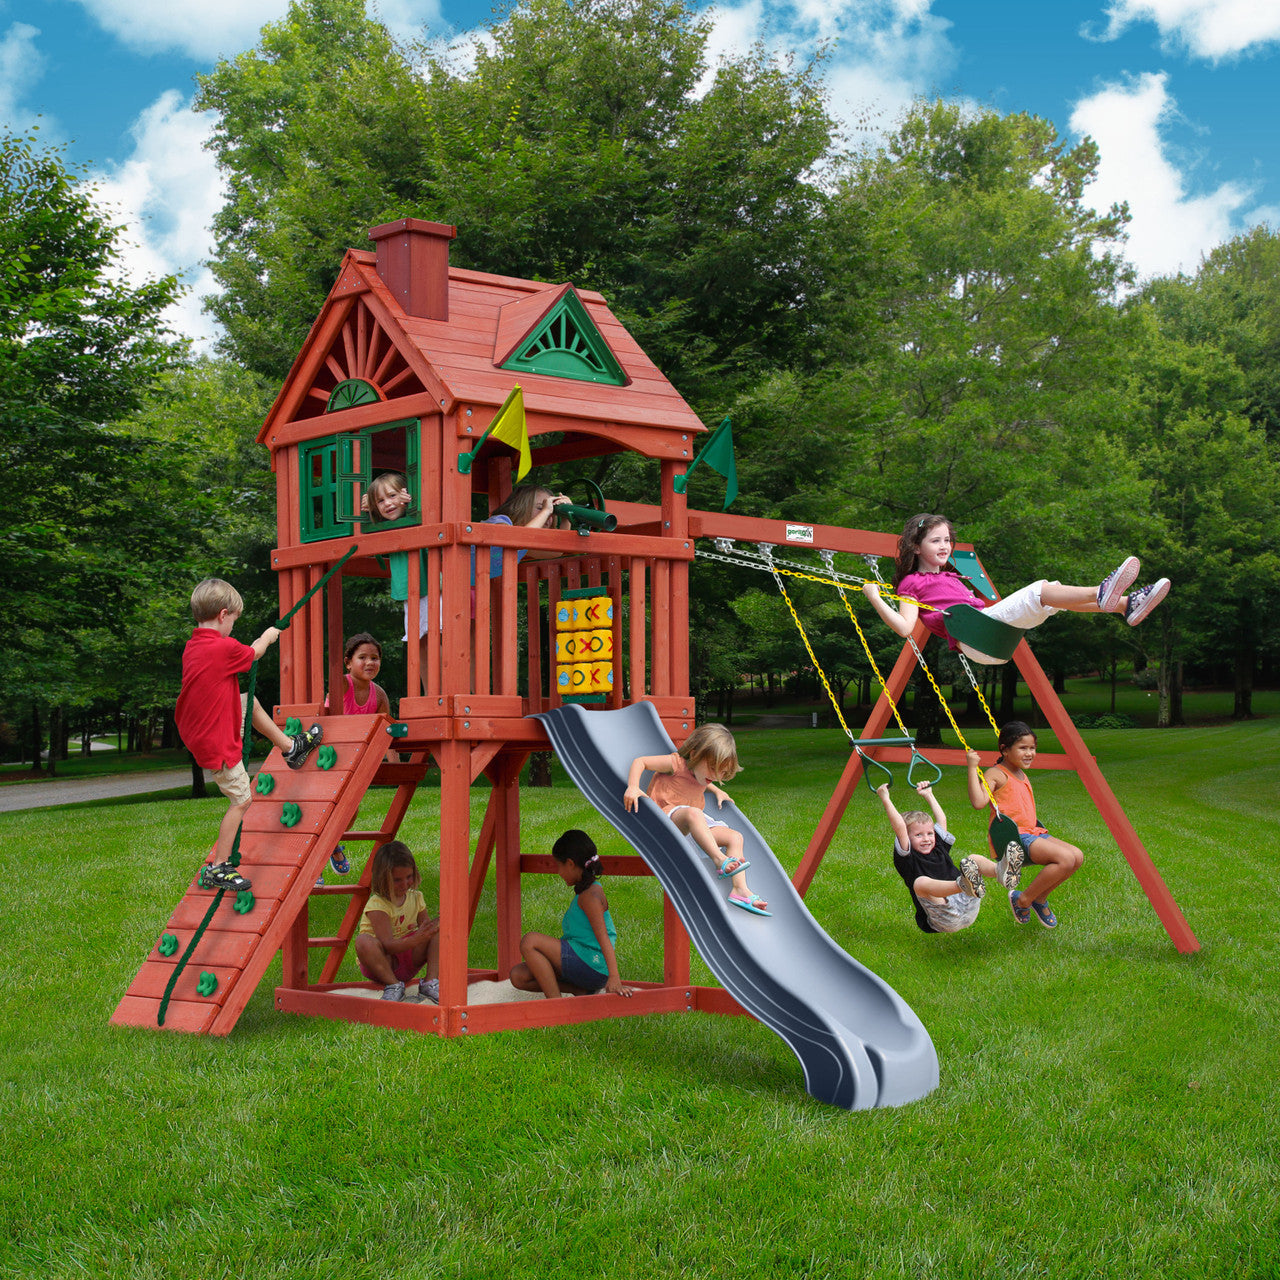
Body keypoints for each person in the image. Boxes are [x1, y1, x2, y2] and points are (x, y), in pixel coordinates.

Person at [861, 513, 1170, 664]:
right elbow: (904, 627)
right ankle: (1100, 592)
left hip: (994, 635)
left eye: (947, 540)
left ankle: (1125, 605)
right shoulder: (911, 582)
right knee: (1041, 590)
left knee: (1055, 592)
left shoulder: (952, 577)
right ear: (915, 547)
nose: (944, 546)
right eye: (935, 541)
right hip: (977, 637)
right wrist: (876, 598)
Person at [175, 578, 322, 891]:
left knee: (249, 702)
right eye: (234, 621)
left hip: (201, 726)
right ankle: (219, 866)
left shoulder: (194, 646)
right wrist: (268, 635)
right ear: (224, 614)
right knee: (241, 800)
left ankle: (290, 748)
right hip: (216, 739)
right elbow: (254, 653)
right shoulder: (222, 646)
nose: (233, 627)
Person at [364, 475, 568, 689]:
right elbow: (522, 537)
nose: (547, 512)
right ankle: (441, 695)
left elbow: (556, 550)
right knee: (435, 643)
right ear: (522, 505)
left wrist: (565, 516)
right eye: (540, 506)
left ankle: (468, 694)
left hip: (467, 590)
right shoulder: (501, 522)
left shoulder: (523, 539)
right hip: (447, 586)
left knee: (467, 650)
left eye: (548, 508)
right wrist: (372, 512)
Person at [623, 723, 770, 916]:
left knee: (735, 837)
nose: (716, 776)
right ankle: (719, 860)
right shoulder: (675, 763)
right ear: (693, 755)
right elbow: (641, 761)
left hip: (693, 826)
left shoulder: (702, 774)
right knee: (695, 813)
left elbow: (700, 781)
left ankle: (740, 890)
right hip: (665, 820)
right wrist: (633, 786)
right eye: (713, 768)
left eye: (722, 773)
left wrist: (717, 790)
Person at [877, 771, 1022, 935]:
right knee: (920, 883)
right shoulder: (907, 858)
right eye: (918, 835)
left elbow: (942, 821)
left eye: (929, 833)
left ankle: (1001, 872)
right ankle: (963, 884)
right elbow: (900, 828)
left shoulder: (938, 847)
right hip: (944, 918)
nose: (926, 839)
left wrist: (929, 795)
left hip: (968, 904)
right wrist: (885, 798)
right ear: (908, 839)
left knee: (973, 859)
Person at [968, 721, 1081, 928]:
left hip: (1033, 832)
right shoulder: (996, 773)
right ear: (1005, 750)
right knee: (1064, 859)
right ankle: (1023, 900)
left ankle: (1039, 899)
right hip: (1014, 838)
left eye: (1032, 748)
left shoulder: (1020, 772)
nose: (1029, 753)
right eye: (1023, 748)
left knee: (1077, 857)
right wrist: (972, 768)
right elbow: (978, 802)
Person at [509, 829, 633, 999]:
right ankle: (580, 990)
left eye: (559, 866)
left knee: (530, 941)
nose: (558, 872)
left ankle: (555, 1003)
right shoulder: (585, 891)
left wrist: (614, 977)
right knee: (518, 975)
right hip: (580, 959)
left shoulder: (591, 896)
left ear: (570, 863)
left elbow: (603, 936)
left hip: (592, 964)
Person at [316, 632, 397, 885]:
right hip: (329, 757)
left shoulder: (379, 695)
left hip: (355, 762)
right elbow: (326, 715)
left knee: (349, 813)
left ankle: (331, 843)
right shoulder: (341, 684)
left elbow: (388, 731)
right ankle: (314, 864)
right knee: (320, 811)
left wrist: (395, 766)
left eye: (375, 658)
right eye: (362, 657)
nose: (370, 662)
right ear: (348, 662)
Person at [354, 841, 440, 1002]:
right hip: (382, 963)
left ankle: (430, 982)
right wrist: (416, 939)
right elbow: (387, 945)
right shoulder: (378, 904)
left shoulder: (416, 897)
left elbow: (427, 930)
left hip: (409, 958)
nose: (405, 883)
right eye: (397, 880)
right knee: (363, 941)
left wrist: (444, 918)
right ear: (383, 879)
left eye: (409, 877)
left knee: (439, 927)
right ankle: (393, 986)